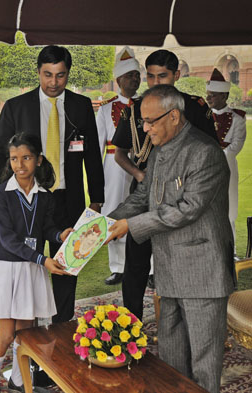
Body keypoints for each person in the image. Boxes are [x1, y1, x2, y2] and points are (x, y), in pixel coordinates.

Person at [107, 84, 235, 393]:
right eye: (143, 122)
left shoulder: (205, 153)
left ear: (174, 116)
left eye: (151, 121)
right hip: (169, 269)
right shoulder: (161, 151)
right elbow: (142, 197)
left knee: (204, 363)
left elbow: (186, 210)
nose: (145, 128)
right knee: (172, 358)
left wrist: (130, 225)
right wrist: (100, 225)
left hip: (202, 273)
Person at [0, 45, 104, 324]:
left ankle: (62, 325)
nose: (54, 83)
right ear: (38, 72)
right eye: (48, 75)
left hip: (69, 198)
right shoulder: (17, 107)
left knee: (67, 266)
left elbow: (92, 154)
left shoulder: (81, 105)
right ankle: (30, 330)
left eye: (61, 75)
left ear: (68, 74)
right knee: (30, 263)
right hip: (30, 200)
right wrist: (13, 191)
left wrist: (97, 198)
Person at [112, 49, 218, 320]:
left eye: (163, 76)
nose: (156, 82)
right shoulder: (134, 110)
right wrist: (138, 174)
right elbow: (120, 153)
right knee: (135, 265)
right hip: (144, 195)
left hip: (181, 199)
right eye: (150, 76)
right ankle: (131, 326)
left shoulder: (194, 107)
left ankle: (180, 321)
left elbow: (208, 153)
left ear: (176, 75)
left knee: (179, 263)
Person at [0, 133, 71, 393]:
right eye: (14, 159)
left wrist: (59, 235)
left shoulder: (45, 196)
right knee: (7, 334)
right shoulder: (0, 196)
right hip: (9, 269)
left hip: (33, 268)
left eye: (26, 158)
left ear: (38, 159)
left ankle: (19, 382)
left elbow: (46, 228)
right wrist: (42, 259)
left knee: (26, 334)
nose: (20, 165)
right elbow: (8, 240)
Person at [95, 46, 139, 285]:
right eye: (130, 75)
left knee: (143, 213)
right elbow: (98, 146)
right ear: (119, 79)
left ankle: (149, 268)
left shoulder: (146, 104)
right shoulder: (106, 109)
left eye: (137, 75)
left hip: (141, 163)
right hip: (113, 166)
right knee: (112, 212)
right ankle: (118, 267)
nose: (135, 79)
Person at [206, 68, 246, 251]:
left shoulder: (237, 118)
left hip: (227, 168)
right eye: (208, 95)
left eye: (213, 95)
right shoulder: (203, 117)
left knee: (229, 211)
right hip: (204, 169)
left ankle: (230, 250)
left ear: (224, 95)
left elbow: (236, 145)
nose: (208, 99)